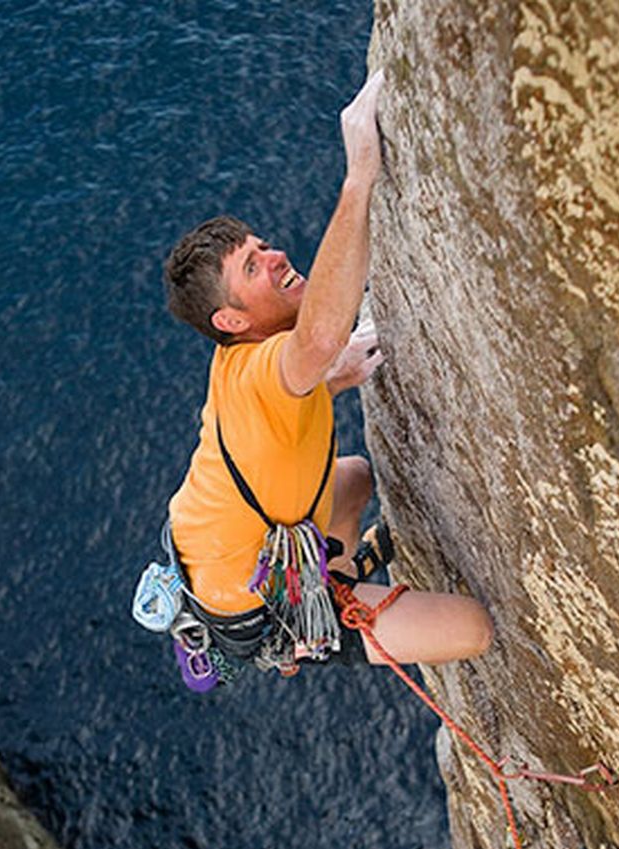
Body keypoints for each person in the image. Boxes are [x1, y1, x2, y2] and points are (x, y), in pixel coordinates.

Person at [159, 72, 492, 672]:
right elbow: (318, 334)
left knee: (358, 477)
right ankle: (302, 628)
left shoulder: (245, 365)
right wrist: (360, 175)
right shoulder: (266, 368)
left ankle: (332, 569)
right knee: (470, 629)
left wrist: (334, 378)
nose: (277, 256)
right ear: (232, 320)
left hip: (220, 544)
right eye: (254, 269)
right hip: (251, 603)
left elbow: (298, 379)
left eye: (262, 247)